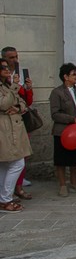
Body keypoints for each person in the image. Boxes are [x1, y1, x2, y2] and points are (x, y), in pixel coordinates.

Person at [50, 63, 76, 197]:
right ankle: (62, 185)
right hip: (62, 131)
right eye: (74, 74)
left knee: (75, 159)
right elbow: (55, 114)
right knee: (61, 160)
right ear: (65, 77)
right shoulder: (57, 92)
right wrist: (72, 119)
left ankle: (74, 183)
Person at [0, 58, 33, 212]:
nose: (8, 70)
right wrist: (14, 86)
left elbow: (23, 103)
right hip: (5, 129)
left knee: (7, 164)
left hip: (13, 127)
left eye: (8, 67)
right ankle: (5, 199)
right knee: (17, 163)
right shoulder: (7, 86)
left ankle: (3, 198)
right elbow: (3, 104)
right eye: (4, 68)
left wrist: (18, 108)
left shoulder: (7, 85)